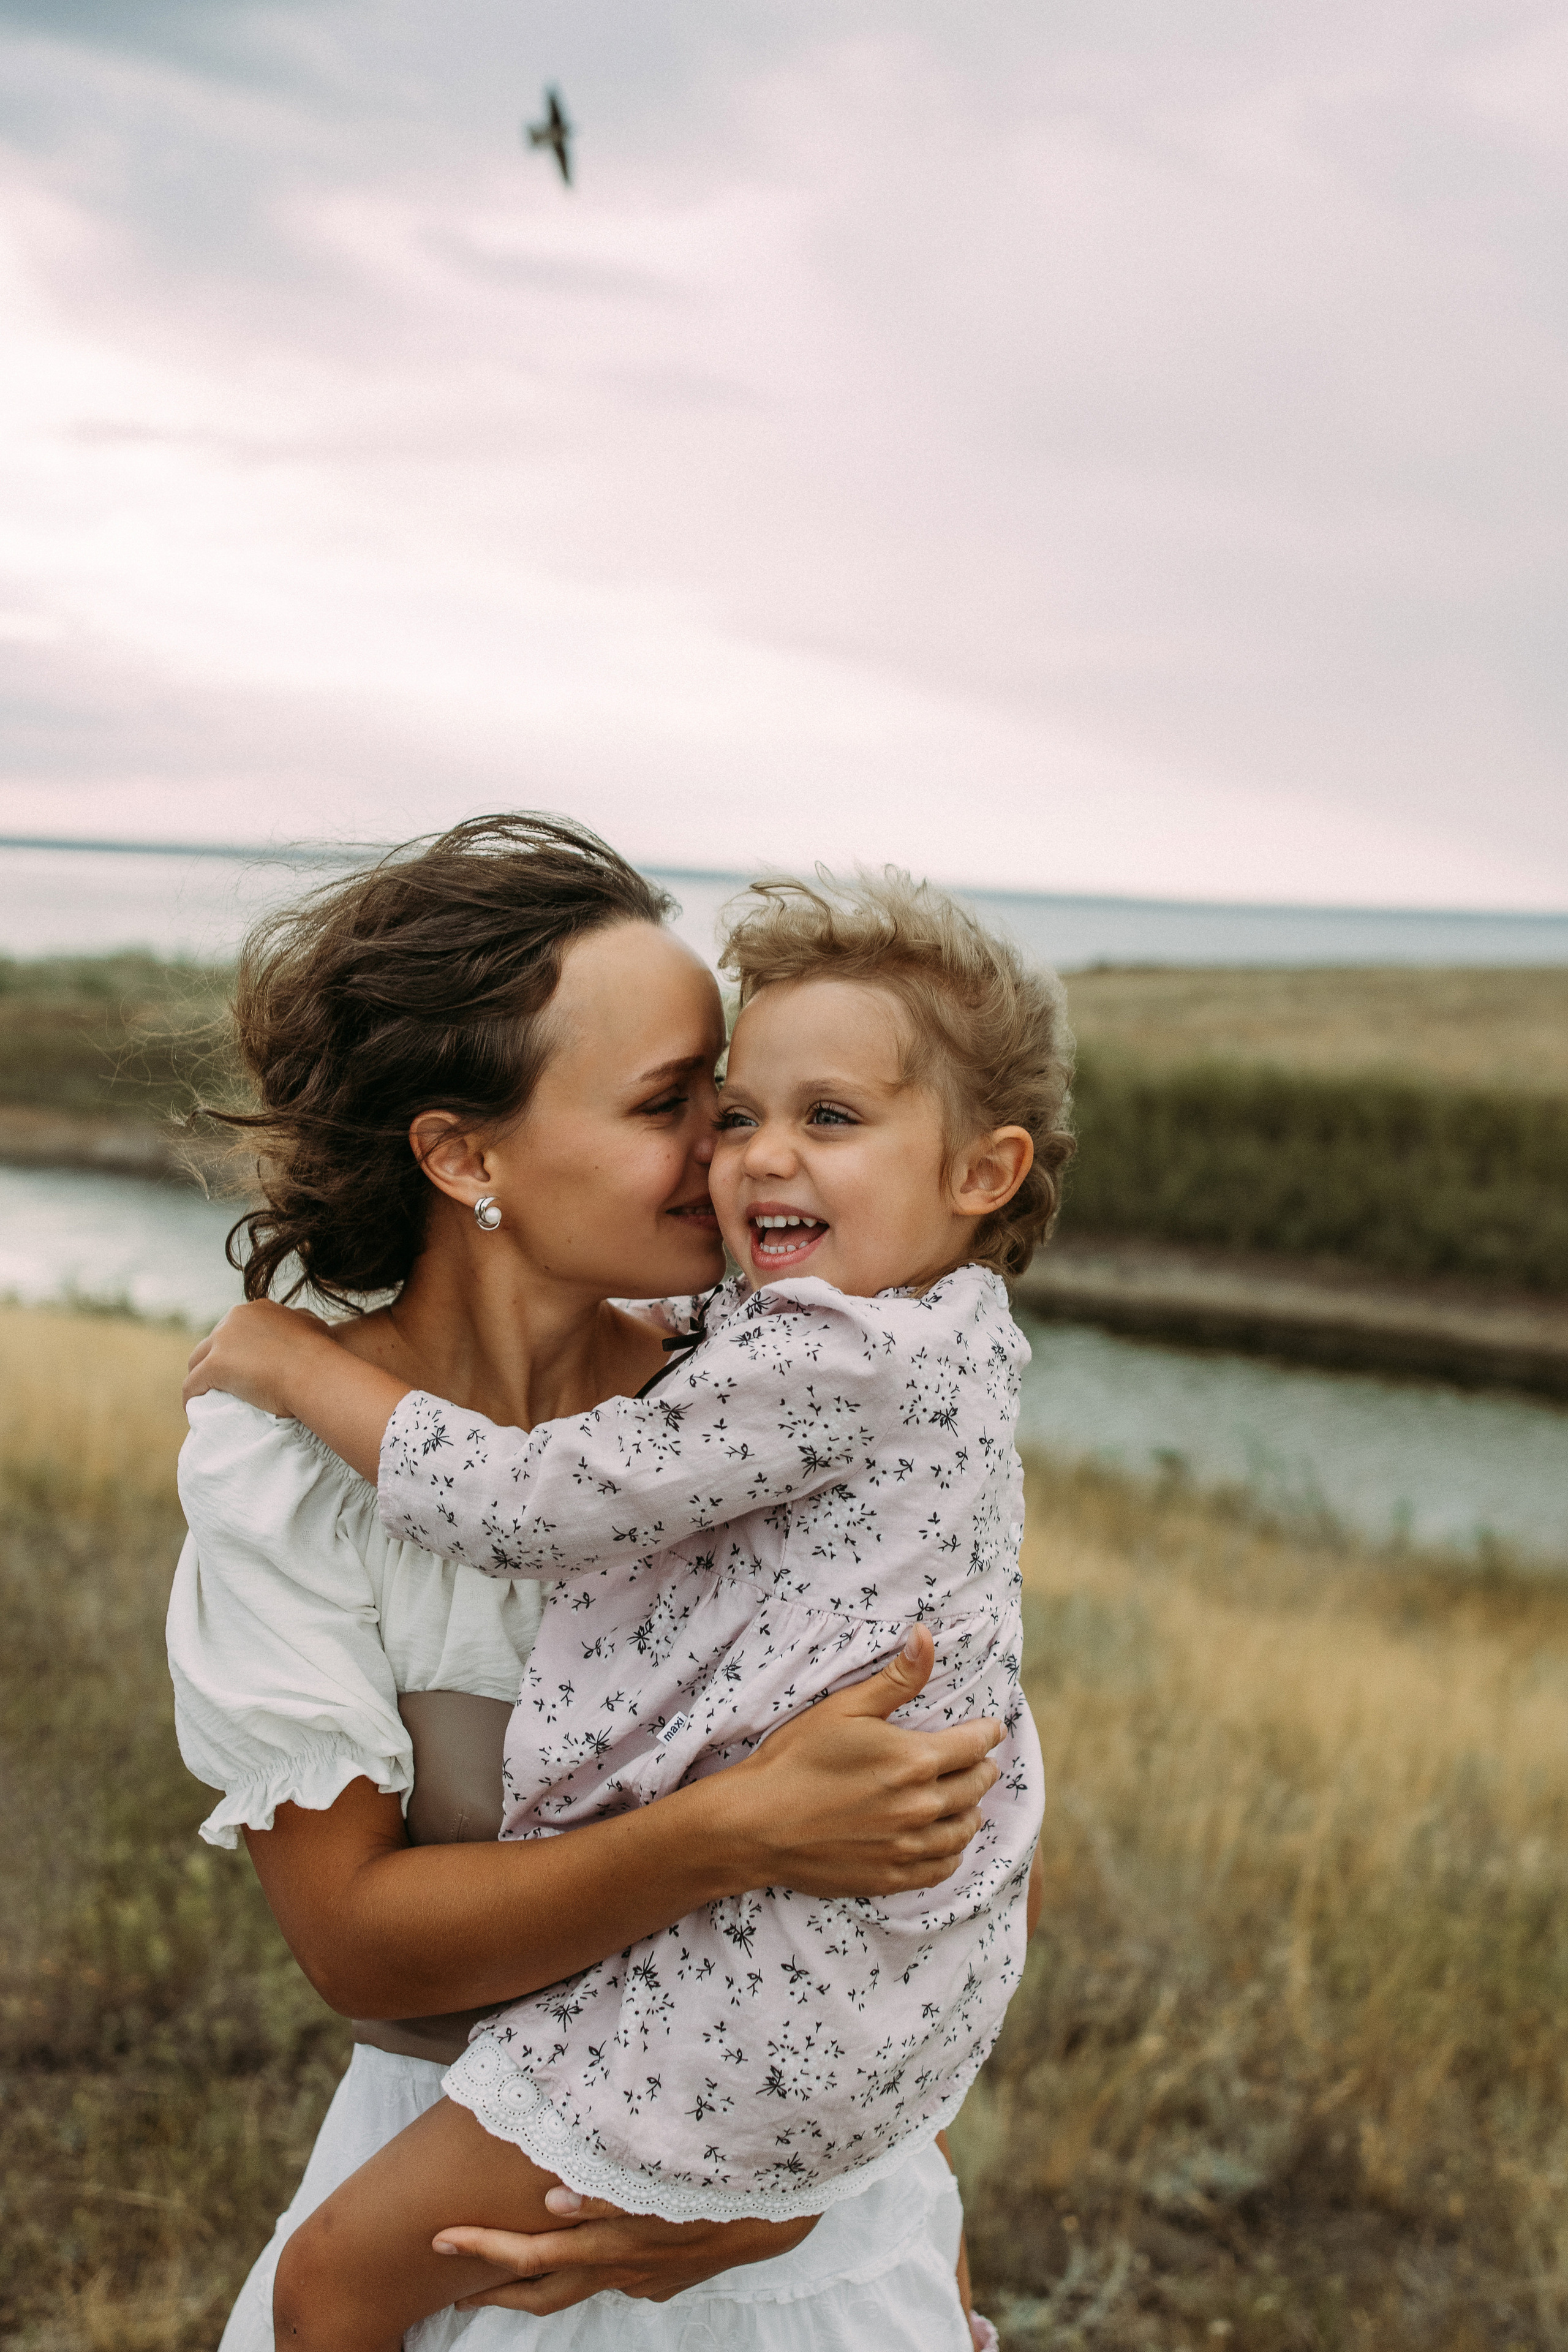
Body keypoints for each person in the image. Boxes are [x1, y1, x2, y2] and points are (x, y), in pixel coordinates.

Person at [185, 864, 1074, 2352]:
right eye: (692, 1108)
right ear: (464, 1154)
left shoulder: (766, 1379)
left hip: (810, 2154)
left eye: (771, 1109)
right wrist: (738, 1831)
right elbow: (357, 1948)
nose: (737, 1159)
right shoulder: (288, 1474)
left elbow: (970, 1828)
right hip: (487, 2184)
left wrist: (795, 2191)